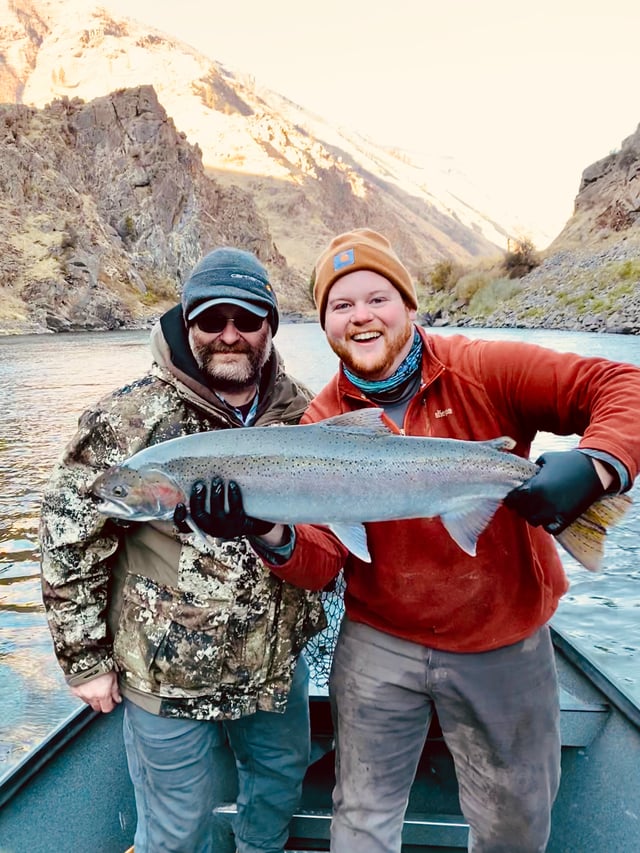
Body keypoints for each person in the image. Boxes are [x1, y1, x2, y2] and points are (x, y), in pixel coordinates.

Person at [185, 228, 640, 853]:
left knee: (515, 824)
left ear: (409, 305)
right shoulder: (319, 424)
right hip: (380, 642)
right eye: (341, 307)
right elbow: (322, 565)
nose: (361, 317)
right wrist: (265, 528)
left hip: (502, 639)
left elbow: (624, 387)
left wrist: (598, 466)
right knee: (361, 818)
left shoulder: (486, 368)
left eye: (377, 298)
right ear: (324, 326)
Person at [39, 246, 326, 853]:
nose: (230, 336)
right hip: (163, 672)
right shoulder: (126, 418)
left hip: (275, 666)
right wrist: (84, 661)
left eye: (247, 320)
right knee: (175, 827)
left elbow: (328, 539)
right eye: (211, 320)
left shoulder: (306, 412)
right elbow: (69, 543)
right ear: (186, 322)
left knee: (276, 793)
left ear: (270, 326)